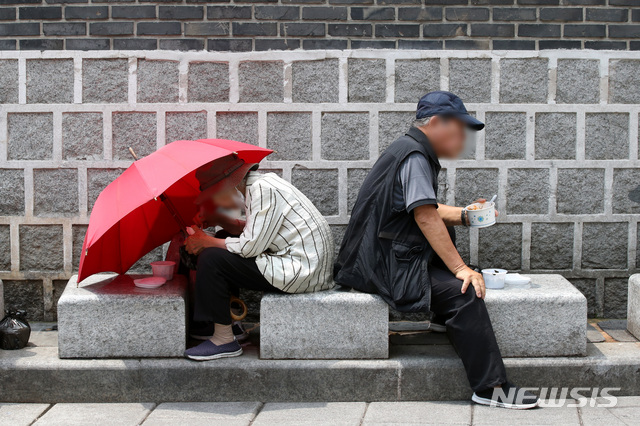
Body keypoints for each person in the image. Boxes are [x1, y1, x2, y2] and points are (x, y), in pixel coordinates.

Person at [334, 91, 539, 409]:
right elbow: (426, 216)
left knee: (466, 270)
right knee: (465, 292)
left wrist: (466, 215)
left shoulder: (410, 149)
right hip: (378, 265)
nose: (461, 138)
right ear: (436, 122)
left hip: (380, 256)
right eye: (458, 129)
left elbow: (425, 206)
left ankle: (442, 318)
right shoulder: (415, 156)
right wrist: (460, 270)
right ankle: (490, 388)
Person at [183, 156, 334, 361]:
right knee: (220, 239)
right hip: (304, 266)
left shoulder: (262, 189)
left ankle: (223, 340)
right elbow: (258, 232)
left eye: (214, 192)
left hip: (301, 272)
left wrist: (205, 242)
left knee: (211, 258)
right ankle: (229, 324)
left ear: (226, 185)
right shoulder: (262, 184)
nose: (215, 199)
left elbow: (250, 247)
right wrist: (220, 220)